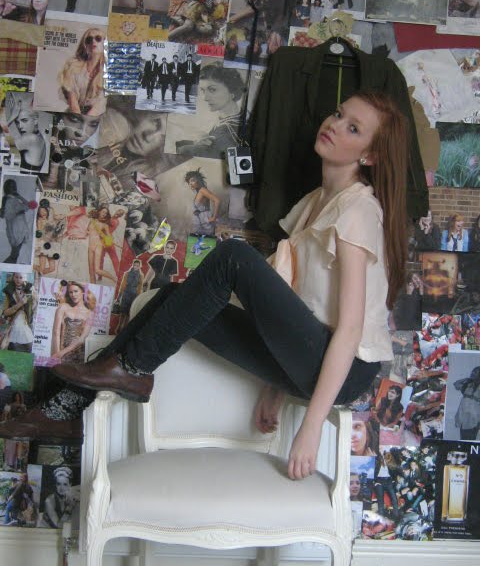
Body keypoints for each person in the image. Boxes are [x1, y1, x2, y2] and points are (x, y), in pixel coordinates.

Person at [1, 92, 409, 482]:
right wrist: (278, 386)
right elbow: (301, 303)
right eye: (338, 113)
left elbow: (349, 330)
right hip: (312, 358)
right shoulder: (317, 201)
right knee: (172, 298)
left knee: (234, 257)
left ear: (370, 155)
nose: (335, 124)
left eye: (353, 128)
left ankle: (131, 371)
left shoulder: (358, 210)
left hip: (346, 372)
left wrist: (312, 424)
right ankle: (65, 409)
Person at [175, 62, 244, 159]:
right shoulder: (233, 116)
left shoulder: (227, 131)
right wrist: (197, 142)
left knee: (183, 149)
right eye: (203, 90)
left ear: (232, 91)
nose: (205, 98)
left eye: (212, 90)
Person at [58, 27, 106, 116]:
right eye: (89, 40)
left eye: (98, 38)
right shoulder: (73, 66)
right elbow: (73, 102)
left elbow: (101, 103)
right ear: (85, 45)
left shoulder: (108, 71)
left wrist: (87, 119)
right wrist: (79, 118)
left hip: (97, 116)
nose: (93, 41)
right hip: (75, 115)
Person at [52, 281, 96, 363]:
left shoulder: (90, 313)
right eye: (70, 292)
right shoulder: (63, 307)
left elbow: (82, 338)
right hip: (61, 353)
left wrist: (61, 353)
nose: (73, 295)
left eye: (76, 291)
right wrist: (57, 354)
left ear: (83, 292)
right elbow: (56, 333)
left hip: (78, 354)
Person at [0, 178, 32, 264]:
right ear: (7, 188)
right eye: (11, 186)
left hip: (18, 229)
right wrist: (19, 197)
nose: (13, 188)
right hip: (17, 231)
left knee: (15, 255)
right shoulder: (10, 200)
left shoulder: (9, 200)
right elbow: (29, 206)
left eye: (14, 186)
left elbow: (28, 206)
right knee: (14, 255)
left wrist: (18, 196)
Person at [1, 273, 36, 352]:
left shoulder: (30, 288)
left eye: (21, 277)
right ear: (13, 277)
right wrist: (19, 304)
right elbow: (5, 312)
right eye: (16, 277)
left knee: (29, 347)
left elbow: (34, 305)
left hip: (26, 324)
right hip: (13, 325)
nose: (18, 280)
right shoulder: (9, 291)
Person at [87, 206, 122, 284]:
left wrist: (107, 239)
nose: (104, 214)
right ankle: (93, 286)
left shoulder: (105, 225)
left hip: (98, 246)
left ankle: (114, 279)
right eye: (103, 212)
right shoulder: (92, 221)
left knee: (97, 270)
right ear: (99, 211)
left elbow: (108, 237)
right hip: (90, 246)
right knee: (91, 272)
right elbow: (87, 231)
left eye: (106, 213)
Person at [8, 105, 48, 172]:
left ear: (35, 120)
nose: (20, 126)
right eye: (17, 122)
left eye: (24, 120)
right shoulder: (39, 136)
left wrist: (11, 118)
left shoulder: (31, 138)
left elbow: (3, 147)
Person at [185, 168, 220, 236]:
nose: (190, 183)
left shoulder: (202, 190)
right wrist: (197, 211)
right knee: (199, 239)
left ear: (198, 180)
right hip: (201, 221)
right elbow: (202, 206)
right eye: (189, 182)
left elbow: (217, 200)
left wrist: (214, 217)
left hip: (205, 220)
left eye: (193, 180)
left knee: (208, 239)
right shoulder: (199, 191)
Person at [116, 260, 144, 334]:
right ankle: (119, 327)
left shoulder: (140, 276)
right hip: (126, 294)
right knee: (123, 312)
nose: (136, 267)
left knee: (128, 313)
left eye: (137, 265)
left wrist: (137, 298)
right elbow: (123, 285)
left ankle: (124, 328)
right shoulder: (127, 274)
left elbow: (140, 288)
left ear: (139, 266)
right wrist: (119, 297)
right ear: (133, 265)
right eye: (135, 265)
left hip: (133, 295)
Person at [454, 365, 480, 439]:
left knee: (471, 440)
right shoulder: (468, 385)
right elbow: (456, 384)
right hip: (463, 418)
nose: (472, 373)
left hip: (474, 419)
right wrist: (465, 379)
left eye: (475, 372)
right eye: (473, 372)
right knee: (463, 439)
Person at [374, 452, 399, 519]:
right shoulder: (378, 462)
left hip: (388, 481)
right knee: (380, 500)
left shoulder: (390, 463)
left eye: (388, 460)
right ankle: (381, 518)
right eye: (385, 459)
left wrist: (394, 480)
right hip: (379, 481)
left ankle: (396, 517)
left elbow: (394, 472)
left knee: (394, 498)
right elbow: (373, 471)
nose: (386, 461)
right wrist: (375, 482)